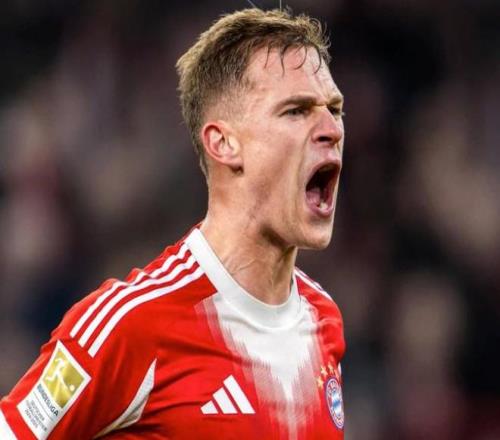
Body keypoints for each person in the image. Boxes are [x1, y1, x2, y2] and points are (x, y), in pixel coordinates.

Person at [0, 7, 346, 439]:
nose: (332, 129)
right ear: (224, 143)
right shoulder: (130, 324)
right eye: (295, 111)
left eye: (335, 109)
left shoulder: (322, 318)